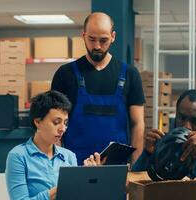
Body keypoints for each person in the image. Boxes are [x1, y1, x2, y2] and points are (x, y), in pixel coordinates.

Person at [51, 12, 145, 165]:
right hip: (75, 166)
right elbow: (54, 122)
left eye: (103, 40)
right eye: (92, 39)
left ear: (113, 36)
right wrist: (59, 165)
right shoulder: (65, 74)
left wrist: (135, 167)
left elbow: (138, 123)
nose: (97, 46)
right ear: (83, 35)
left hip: (117, 169)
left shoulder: (129, 74)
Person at [5, 90, 101, 200]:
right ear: (37, 122)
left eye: (65, 123)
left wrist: (88, 178)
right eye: (56, 122)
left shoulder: (69, 156)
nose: (63, 129)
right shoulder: (18, 156)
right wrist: (66, 184)